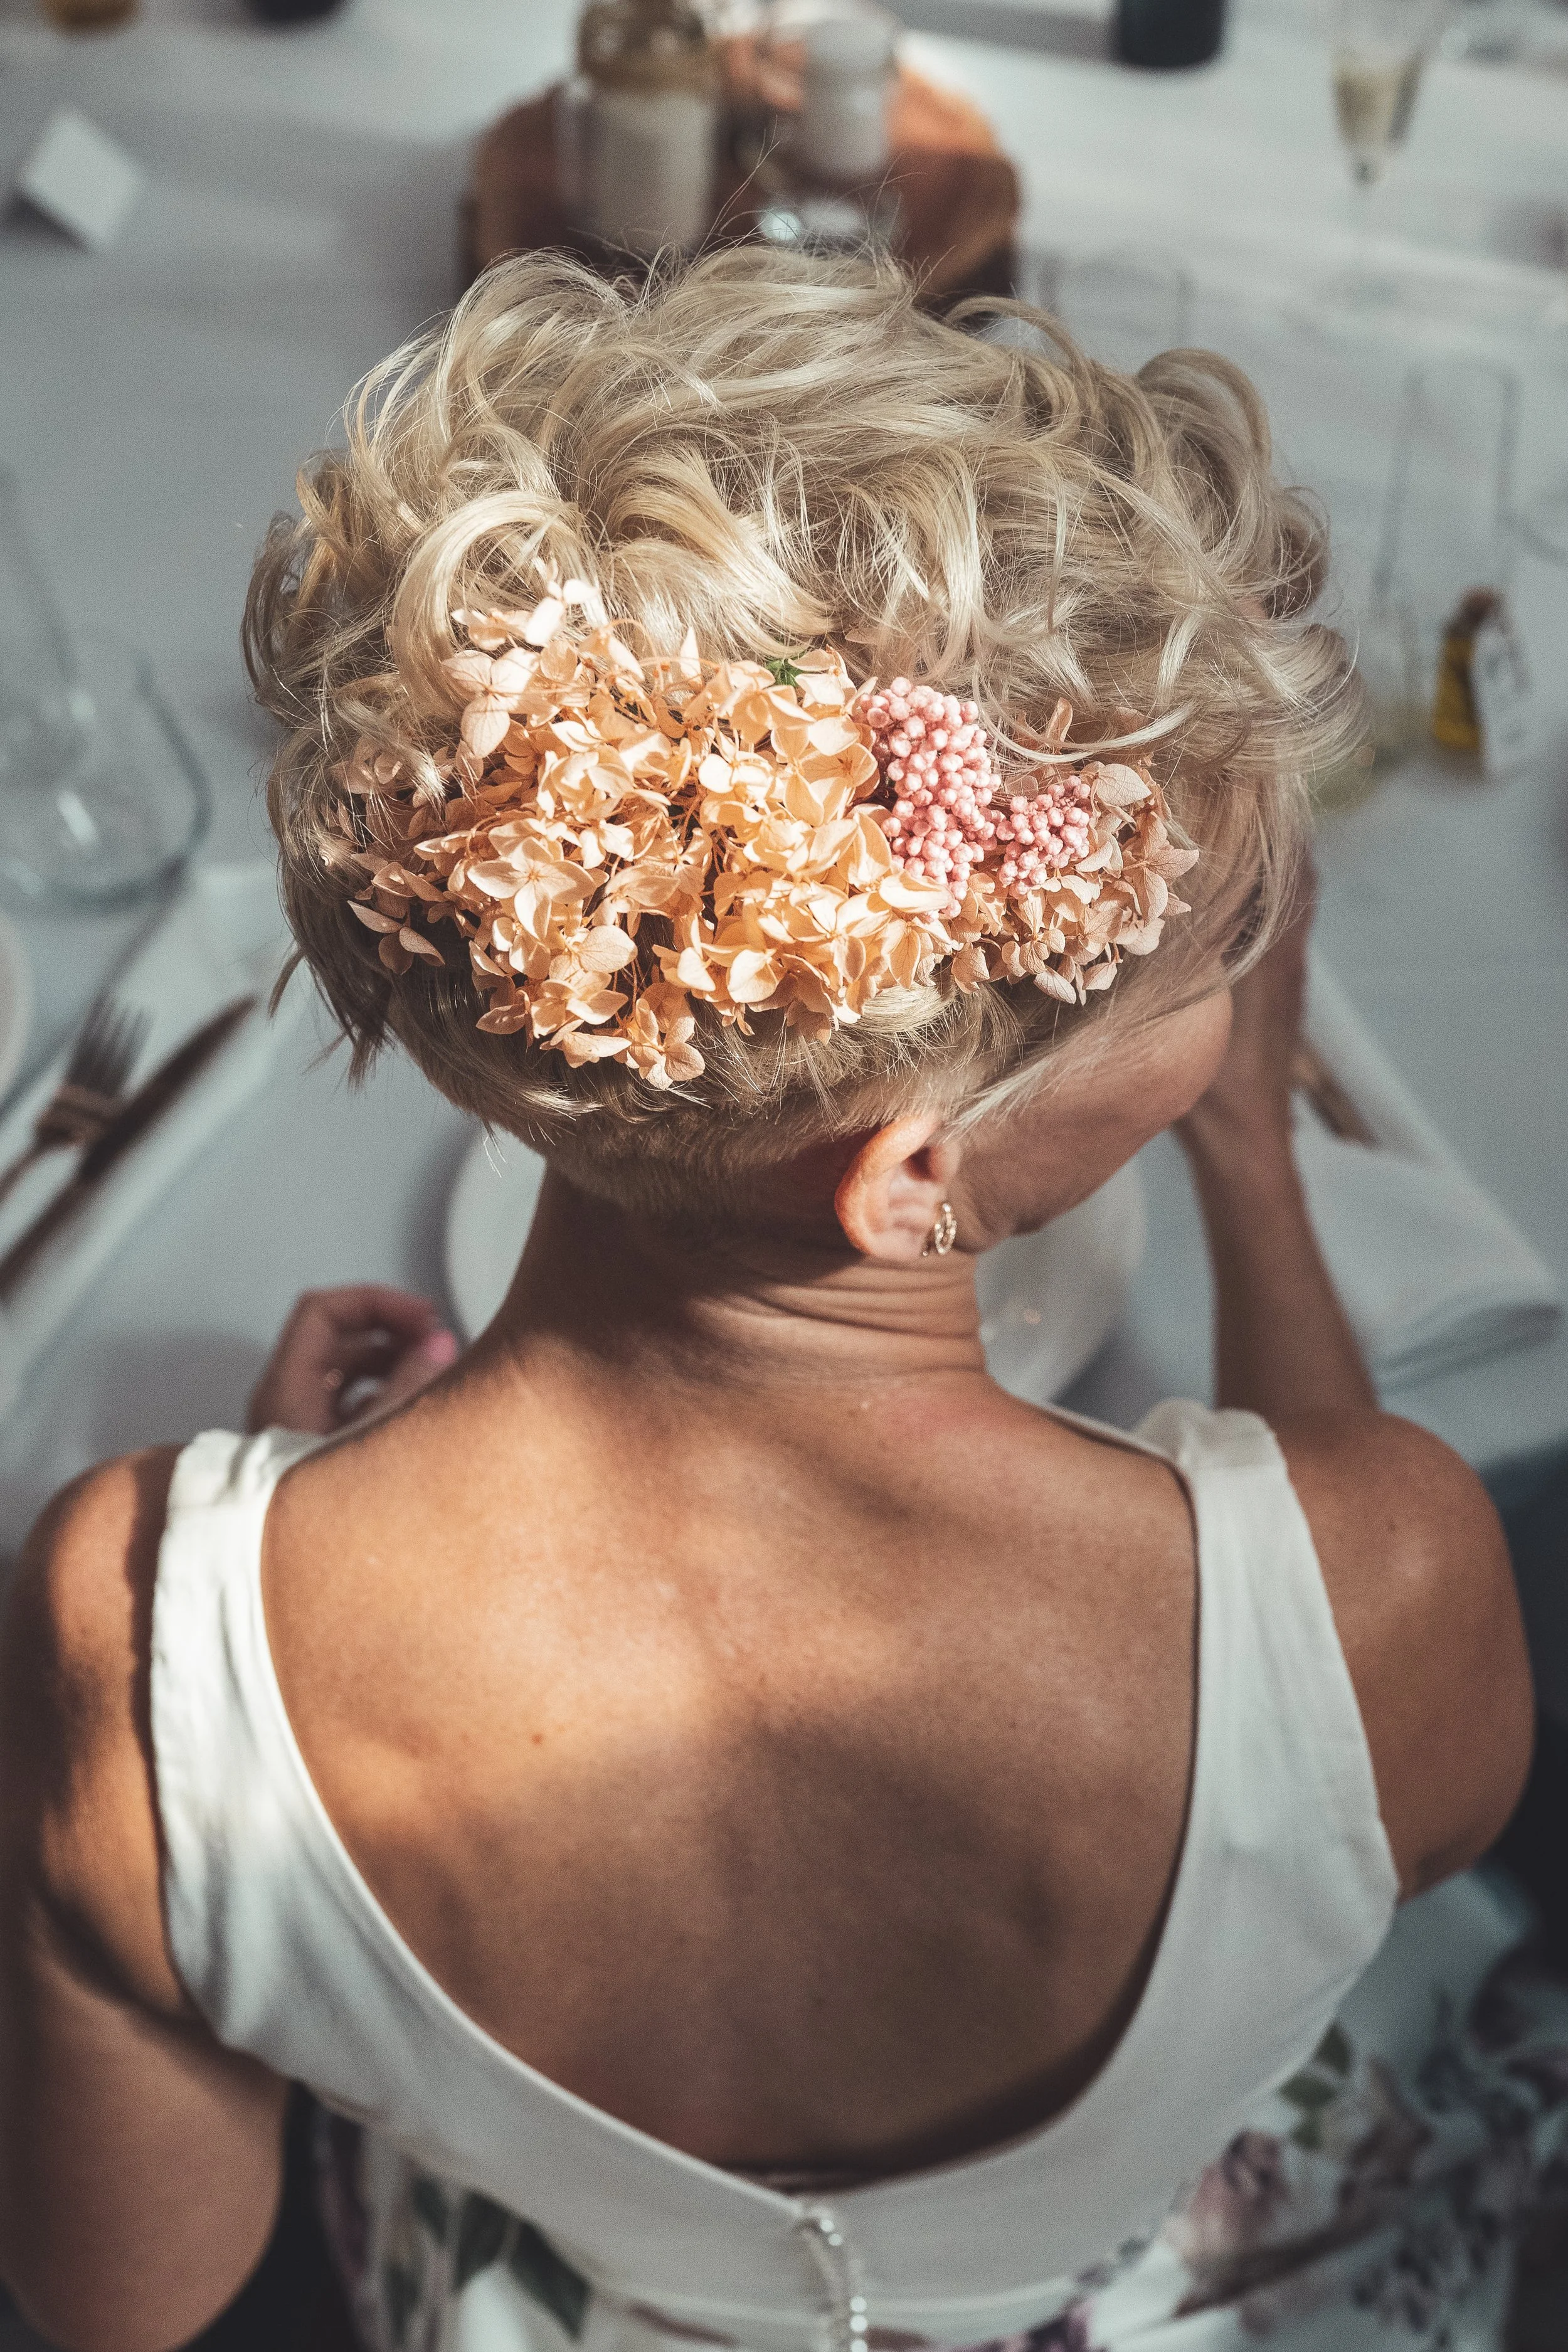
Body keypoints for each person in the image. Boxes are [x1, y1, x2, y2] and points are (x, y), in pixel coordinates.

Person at [0, 251, 1560, 2352]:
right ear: (914, 1169)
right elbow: (1337, 1718)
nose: (1248, 971)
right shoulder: (1389, 1594)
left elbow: (128, 2297)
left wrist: (265, 1567)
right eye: (1208, 958)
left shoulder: (126, 1637)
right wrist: (1257, 1168)